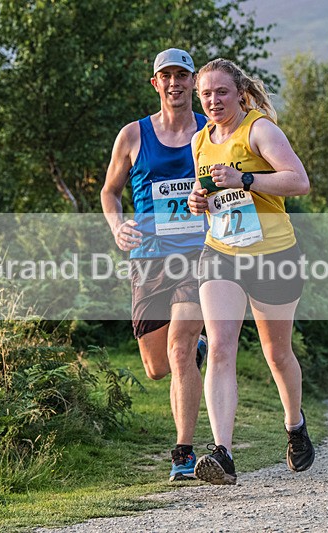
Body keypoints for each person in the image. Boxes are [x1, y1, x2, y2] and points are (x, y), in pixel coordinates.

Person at [187, 58, 315, 485]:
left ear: (239, 93)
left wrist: (244, 179)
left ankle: (294, 426)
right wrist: (198, 200)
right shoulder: (200, 139)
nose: (212, 100)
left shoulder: (260, 130)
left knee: (277, 354)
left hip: (274, 255)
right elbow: (205, 188)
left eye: (221, 92)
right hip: (220, 252)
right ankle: (222, 453)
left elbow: (298, 182)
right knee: (220, 346)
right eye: (205, 94)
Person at [101, 48, 208, 482]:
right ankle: (197, 351)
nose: (175, 83)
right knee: (157, 366)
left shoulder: (211, 130)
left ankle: (183, 453)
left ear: (193, 81)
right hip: (148, 259)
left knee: (180, 346)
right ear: (156, 84)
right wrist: (116, 226)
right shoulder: (132, 135)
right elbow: (110, 192)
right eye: (167, 76)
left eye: (182, 75)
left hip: (201, 252)